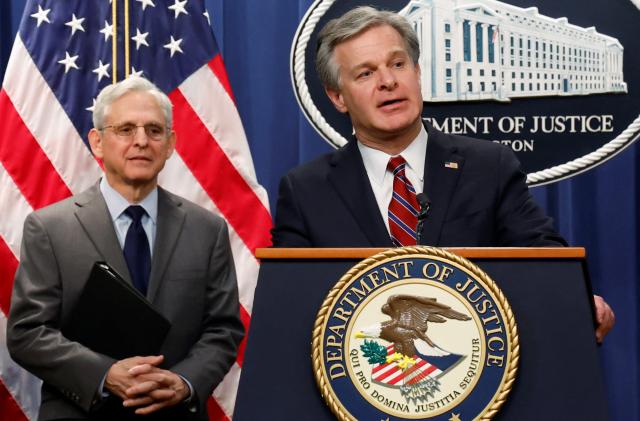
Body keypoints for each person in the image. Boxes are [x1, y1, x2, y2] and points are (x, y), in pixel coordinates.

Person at [271, 6, 614, 342]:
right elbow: (292, 306)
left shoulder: (487, 166)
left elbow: (542, 255)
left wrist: (576, 301)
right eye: (366, 73)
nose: (388, 81)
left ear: (417, 73)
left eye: (398, 64)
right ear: (338, 98)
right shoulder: (306, 191)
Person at [7, 76, 244, 420]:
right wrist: (105, 374)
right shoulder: (50, 229)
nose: (141, 141)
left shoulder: (207, 230)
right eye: (126, 130)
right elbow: (27, 333)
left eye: (154, 130)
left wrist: (183, 381)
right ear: (98, 142)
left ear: (170, 144)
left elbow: (224, 329)